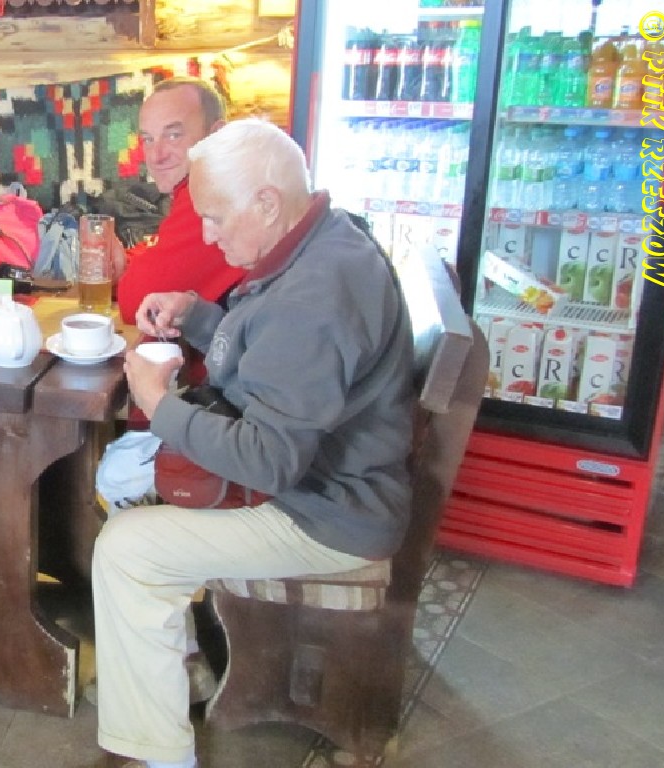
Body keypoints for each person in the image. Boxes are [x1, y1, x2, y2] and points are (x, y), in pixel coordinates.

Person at [92, 119, 415, 768]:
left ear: (267, 202)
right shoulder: (322, 241)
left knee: (126, 548)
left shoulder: (316, 292)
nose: (209, 235)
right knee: (122, 481)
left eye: (215, 218)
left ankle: (159, 755)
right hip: (334, 484)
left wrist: (159, 405)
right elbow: (273, 354)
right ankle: (176, 666)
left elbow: (270, 458)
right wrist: (197, 315)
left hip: (326, 513)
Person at [114, 77, 247, 325]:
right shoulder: (199, 185)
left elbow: (136, 303)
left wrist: (126, 274)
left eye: (173, 135)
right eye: (148, 139)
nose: (156, 156)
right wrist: (128, 263)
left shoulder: (215, 190)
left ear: (216, 135)